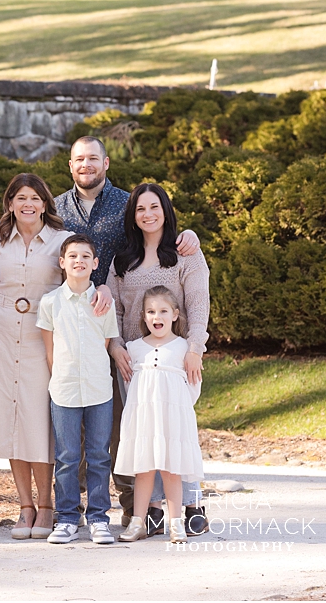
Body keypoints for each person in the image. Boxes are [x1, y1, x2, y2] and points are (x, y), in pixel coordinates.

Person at [54, 134, 201, 521]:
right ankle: (73, 508)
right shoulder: (56, 209)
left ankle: (144, 504)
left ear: (106, 163)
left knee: (135, 424)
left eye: (93, 158)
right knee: (89, 425)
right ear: (71, 165)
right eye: (78, 159)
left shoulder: (125, 204)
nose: (86, 165)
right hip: (91, 334)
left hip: (155, 345)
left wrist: (190, 235)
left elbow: (161, 230)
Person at [0, 173, 68, 540]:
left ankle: (47, 506)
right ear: (9, 203)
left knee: (38, 416)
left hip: (45, 330)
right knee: (10, 415)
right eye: (21, 198)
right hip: (1, 329)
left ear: (45, 204)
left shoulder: (61, 240)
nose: (28, 204)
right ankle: (24, 506)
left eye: (35, 198)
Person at [107, 182, 210, 535]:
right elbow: (115, 312)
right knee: (144, 433)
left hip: (175, 358)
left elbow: (198, 304)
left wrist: (195, 348)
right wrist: (115, 345)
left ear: (166, 210)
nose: (147, 214)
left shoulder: (186, 253)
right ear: (132, 217)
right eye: (140, 209)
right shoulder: (122, 261)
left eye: (154, 207)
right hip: (133, 360)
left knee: (178, 431)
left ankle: (191, 506)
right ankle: (150, 511)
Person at [37, 235, 119, 546]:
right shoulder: (50, 303)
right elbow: (49, 350)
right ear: (62, 262)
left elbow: (106, 342)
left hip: (99, 389)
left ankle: (98, 518)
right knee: (68, 457)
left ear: (95, 264)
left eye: (86, 256)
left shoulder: (102, 302)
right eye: (72, 256)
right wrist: (60, 376)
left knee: (99, 455)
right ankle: (68, 517)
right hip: (64, 389)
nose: (79, 261)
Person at [116, 285, 204, 545]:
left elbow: (193, 386)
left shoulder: (184, 348)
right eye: (151, 311)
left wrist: (176, 410)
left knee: (171, 469)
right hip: (143, 419)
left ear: (175, 314)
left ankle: (176, 524)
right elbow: (129, 385)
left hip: (173, 419)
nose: (157, 317)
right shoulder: (134, 349)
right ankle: (137, 523)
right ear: (143, 317)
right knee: (143, 470)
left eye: (163, 311)